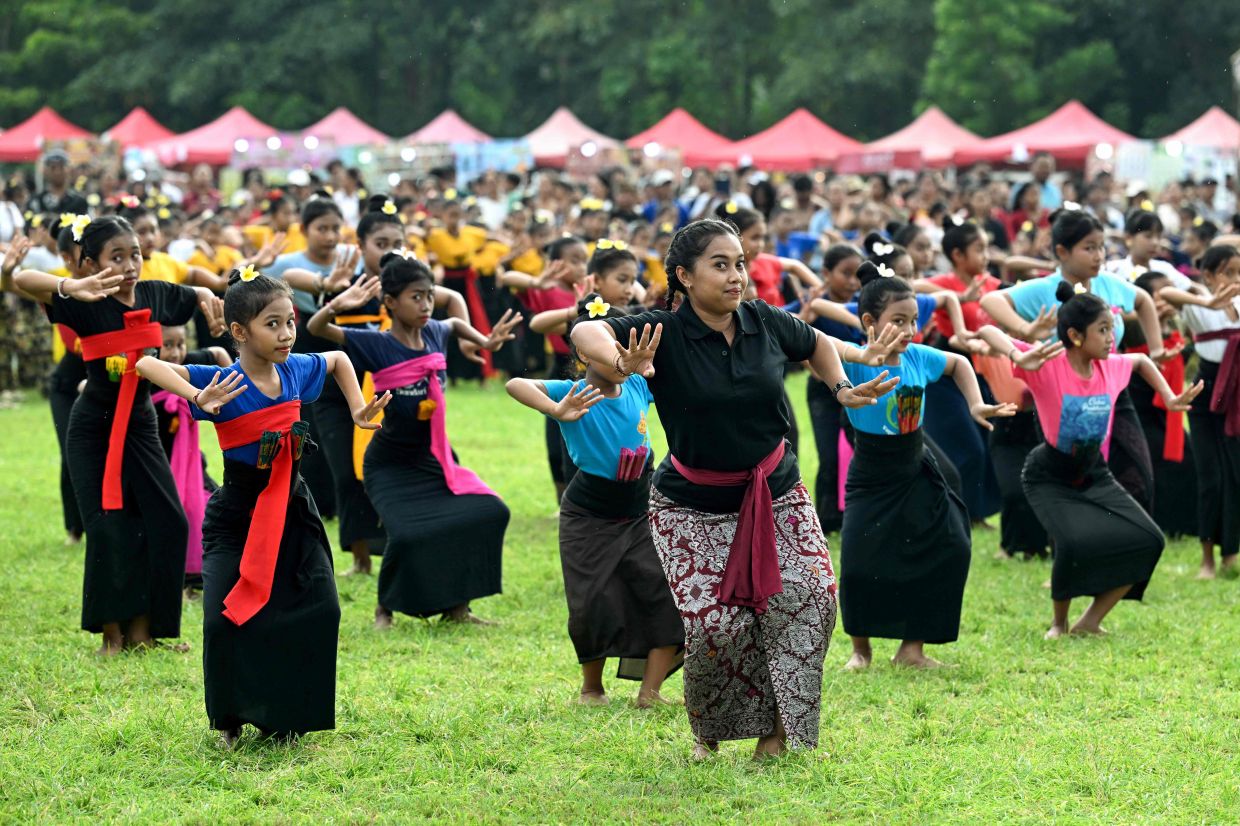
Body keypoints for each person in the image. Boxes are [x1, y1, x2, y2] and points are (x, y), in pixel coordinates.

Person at [571, 217, 898, 759]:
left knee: (810, 596)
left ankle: (777, 733)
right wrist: (618, 362)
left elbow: (817, 343)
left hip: (776, 490)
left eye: (740, 263)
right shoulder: (662, 332)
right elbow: (588, 333)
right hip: (691, 504)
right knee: (715, 624)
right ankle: (710, 732)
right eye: (720, 265)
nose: (736, 276)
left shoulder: (764, 321)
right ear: (683, 275)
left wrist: (840, 387)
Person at [137, 267, 386, 746]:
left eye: (290, 322)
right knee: (224, 616)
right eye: (273, 324)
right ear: (238, 331)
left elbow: (336, 358)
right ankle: (231, 716)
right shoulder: (223, 381)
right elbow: (147, 365)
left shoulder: (294, 370)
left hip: (294, 508)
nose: (287, 334)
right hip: (238, 514)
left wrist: (357, 408)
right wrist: (197, 396)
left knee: (320, 609)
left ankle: (287, 715)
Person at [14, 215, 225, 654]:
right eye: (117, 257)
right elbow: (19, 280)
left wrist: (208, 295)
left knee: (167, 520)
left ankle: (147, 632)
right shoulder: (84, 298)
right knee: (110, 527)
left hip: (141, 425)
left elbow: (197, 292)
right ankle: (112, 635)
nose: (131, 265)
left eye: (136, 255)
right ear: (90, 263)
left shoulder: (154, 293)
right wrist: (70, 286)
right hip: (94, 427)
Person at [307, 254, 516, 627]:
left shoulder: (436, 331)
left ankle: (457, 609)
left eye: (429, 296)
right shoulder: (374, 343)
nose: (425, 305)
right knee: (405, 535)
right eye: (415, 297)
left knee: (489, 512)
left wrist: (484, 340)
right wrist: (338, 303)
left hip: (433, 458)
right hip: (389, 464)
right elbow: (317, 326)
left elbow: (454, 321)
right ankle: (384, 608)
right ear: (390, 302)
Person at [977, 286, 1198, 639]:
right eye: (1103, 330)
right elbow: (987, 330)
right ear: (1075, 336)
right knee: (1072, 543)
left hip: (1093, 471)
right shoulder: (1046, 364)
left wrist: (1169, 397)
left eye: (1112, 328)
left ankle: (1090, 621)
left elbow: (1141, 362)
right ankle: (1058, 623)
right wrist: (1017, 356)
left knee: (1150, 539)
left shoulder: (1111, 367)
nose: (1112, 338)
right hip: (1049, 473)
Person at [838, 262, 1016, 671]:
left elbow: (959, 364)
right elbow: (813, 344)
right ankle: (861, 651)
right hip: (872, 469)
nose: (909, 330)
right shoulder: (854, 358)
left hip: (917, 463)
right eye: (898, 321)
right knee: (860, 560)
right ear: (869, 321)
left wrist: (974, 404)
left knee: (950, 545)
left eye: (913, 320)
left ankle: (911, 649)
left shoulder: (917, 355)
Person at [508, 297, 684, 708]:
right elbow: (515, 384)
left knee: (663, 591)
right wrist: (557, 409)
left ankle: (650, 692)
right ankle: (592, 689)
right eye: (611, 347)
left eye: (624, 347)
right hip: (589, 509)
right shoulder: (576, 392)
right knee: (591, 600)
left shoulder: (639, 384)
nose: (621, 355)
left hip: (641, 505)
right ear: (586, 354)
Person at [981, 208, 1169, 513]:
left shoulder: (1108, 284)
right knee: (1067, 485)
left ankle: (1119, 539)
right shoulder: (1045, 288)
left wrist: (1157, 350)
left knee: (1139, 475)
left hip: (1110, 392)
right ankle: (1069, 547)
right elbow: (991, 300)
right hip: (1061, 399)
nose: (1099, 255)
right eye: (1089, 248)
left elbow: (1144, 301)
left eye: (1101, 247)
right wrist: (1025, 329)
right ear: (1061, 251)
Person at [1158, 245, 1240, 578]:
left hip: (1237, 395)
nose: (1235, 280)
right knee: (1211, 477)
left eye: (1238, 272)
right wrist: (1204, 297)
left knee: (1235, 474)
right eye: (1228, 272)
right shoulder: (1199, 307)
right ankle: (1206, 557)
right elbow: (1165, 292)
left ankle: (1229, 554)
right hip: (1206, 393)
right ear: (1208, 275)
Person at [922, 217, 1003, 526]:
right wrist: (958, 297)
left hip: (979, 372)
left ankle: (976, 513)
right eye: (979, 249)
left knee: (982, 443)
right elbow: (911, 286)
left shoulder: (988, 282)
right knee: (966, 445)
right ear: (957, 255)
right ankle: (961, 511)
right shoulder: (946, 283)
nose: (986, 256)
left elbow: (1008, 295)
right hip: (944, 373)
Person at [502, 236, 589, 506]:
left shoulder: (592, 291)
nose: (581, 267)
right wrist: (536, 281)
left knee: (585, 439)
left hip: (592, 370)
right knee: (556, 442)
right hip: (561, 368)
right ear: (555, 264)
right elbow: (506, 278)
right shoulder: (545, 289)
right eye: (574, 261)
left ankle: (580, 499)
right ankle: (560, 502)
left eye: (584, 260)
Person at [151, 324, 229, 596]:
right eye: (167, 345)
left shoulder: (188, 367)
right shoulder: (146, 374)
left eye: (180, 344)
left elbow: (219, 352)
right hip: (157, 466)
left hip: (192, 465)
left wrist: (240, 388)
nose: (175, 352)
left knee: (213, 509)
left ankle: (200, 579)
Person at [425, 192, 494, 381]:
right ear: (443, 216)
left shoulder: (472, 233)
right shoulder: (435, 236)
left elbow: (492, 240)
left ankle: (479, 374)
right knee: (447, 326)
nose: (454, 220)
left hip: (469, 283)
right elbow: (420, 242)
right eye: (450, 215)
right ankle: (451, 373)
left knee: (474, 324)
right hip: (446, 282)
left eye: (457, 215)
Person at [28, 150, 88, 215]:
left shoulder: (79, 201)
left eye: (61, 167)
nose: (57, 172)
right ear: (45, 171)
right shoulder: (37, 201)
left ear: (69, 170)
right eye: (53, 168)